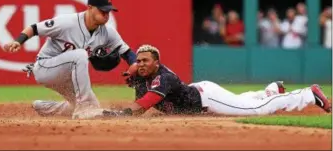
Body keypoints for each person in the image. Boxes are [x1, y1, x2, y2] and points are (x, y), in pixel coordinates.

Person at [2, 0, 138, 119]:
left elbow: (126, 52)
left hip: (69, 77)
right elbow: (35, 28)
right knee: (80, 55)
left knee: (93, 106)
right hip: (46, 68)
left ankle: (44, 107)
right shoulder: (67, 22)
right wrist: (18, 41)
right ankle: (83, 109)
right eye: (102, 10)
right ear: (90, 8)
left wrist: (134, 64)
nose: (106, 15)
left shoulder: (107, 32)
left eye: (108, 11)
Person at [96, 44, 331, 118]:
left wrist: (121, 113)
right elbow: (138, 92)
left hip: (206, 98)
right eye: (140, 60)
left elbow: (144, 104)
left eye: (147, 60)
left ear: (157, 63)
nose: (143, 63)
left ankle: (308, 95)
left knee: (255, 110)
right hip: (200, 94)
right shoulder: (141, 75)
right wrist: (134, 69)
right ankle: (271, 90)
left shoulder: (163, 78)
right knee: (240, 101)